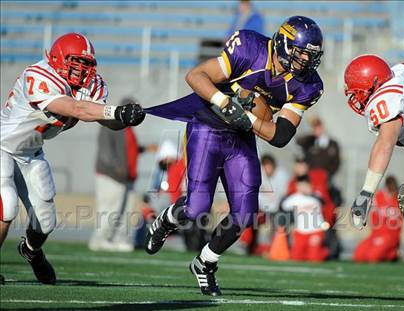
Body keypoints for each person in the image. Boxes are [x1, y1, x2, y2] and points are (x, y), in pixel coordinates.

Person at [144, 16, 324, 296]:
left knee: (245, 215)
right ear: (284, 45)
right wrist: (225, 103)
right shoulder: (250, 48)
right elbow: (195, 76)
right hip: (207, 126)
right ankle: (167, 218)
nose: (305, 62)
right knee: (196, 209)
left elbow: (280, 136)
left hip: (241, 138)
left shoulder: (308, 85)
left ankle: (205, 263)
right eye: (301, 53)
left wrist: (247, 118)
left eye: (310, 57)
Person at [0, 33, 145, 284]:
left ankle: (31, 252)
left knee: (45, 222)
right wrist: (116, 110)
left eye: (86, 64)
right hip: (2, 146)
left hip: (31, 153)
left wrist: (125, 120)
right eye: (75, 62)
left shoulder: (92, 85)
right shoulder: (39, 74)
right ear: (57, 58)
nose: (81, 70)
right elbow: (76, 109)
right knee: (8, 203)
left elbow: (106, 120)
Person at [344, 54, 404, 243]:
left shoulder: (385, 98)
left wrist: (366, 192)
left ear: (373, 84)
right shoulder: (402, 71)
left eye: (357, 93)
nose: (357, 99)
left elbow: (385, 143)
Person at [89, 97, 156, 252]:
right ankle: (100, 240)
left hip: (126, 176)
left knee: (124, 211)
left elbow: (127, 150)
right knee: (110, 209)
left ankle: (117, 239)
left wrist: (144, 149)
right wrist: (118, 168)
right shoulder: (110, 123)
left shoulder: (127, 127)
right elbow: (106, 151)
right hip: (111, 175)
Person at [239, 154, 289, 255]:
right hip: (260, 209)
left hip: (276, 210)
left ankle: (268, 249)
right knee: (248, 219)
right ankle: (248, 246)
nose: (267, 170)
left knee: (272, 224)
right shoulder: (258, 174)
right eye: (265, 166)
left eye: (269, 166)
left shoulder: (282, 176)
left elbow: (282, 196)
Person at [353, 175, 402, 263]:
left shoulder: (399, 199)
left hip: (390, 237)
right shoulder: (379, 197)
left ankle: (393, 253)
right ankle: (390, 253)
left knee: (373, 257)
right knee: (358, 255)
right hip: (375, 235)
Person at [282, 175, 329, 262]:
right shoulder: (294, 198)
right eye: (300, 185)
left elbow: (324, 202)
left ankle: (325, 252)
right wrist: (292, 224)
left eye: (305, 185)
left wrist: (310, 193)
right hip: (300, 231)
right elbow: (284, 206)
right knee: (296, 257)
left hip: (316, 230)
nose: (302, 188)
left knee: (314, 258)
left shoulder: (316, 196)